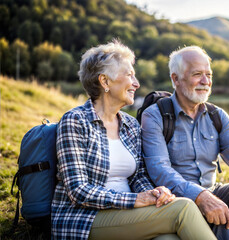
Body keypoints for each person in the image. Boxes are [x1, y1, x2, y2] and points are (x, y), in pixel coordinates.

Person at [52, 40, 216, 240]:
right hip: (86, 219)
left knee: (169, 239)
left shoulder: (130, 125)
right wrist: (134, 200)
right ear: (105, 81)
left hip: (127, 216)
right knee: (184, 209)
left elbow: (138, 175)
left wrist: (154, 194)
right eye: (129, 75)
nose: (136, 83)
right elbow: (79, 191)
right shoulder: (75, 121)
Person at [141, 46, 229, 240]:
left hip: (212, 192)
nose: (205, 82)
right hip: (176, 202)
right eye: (197, 74)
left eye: (209, 75)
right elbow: (160, 170)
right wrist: (201, 197)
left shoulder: (217, 116)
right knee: (217, 217)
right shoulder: (155, 116)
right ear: (175, 79)